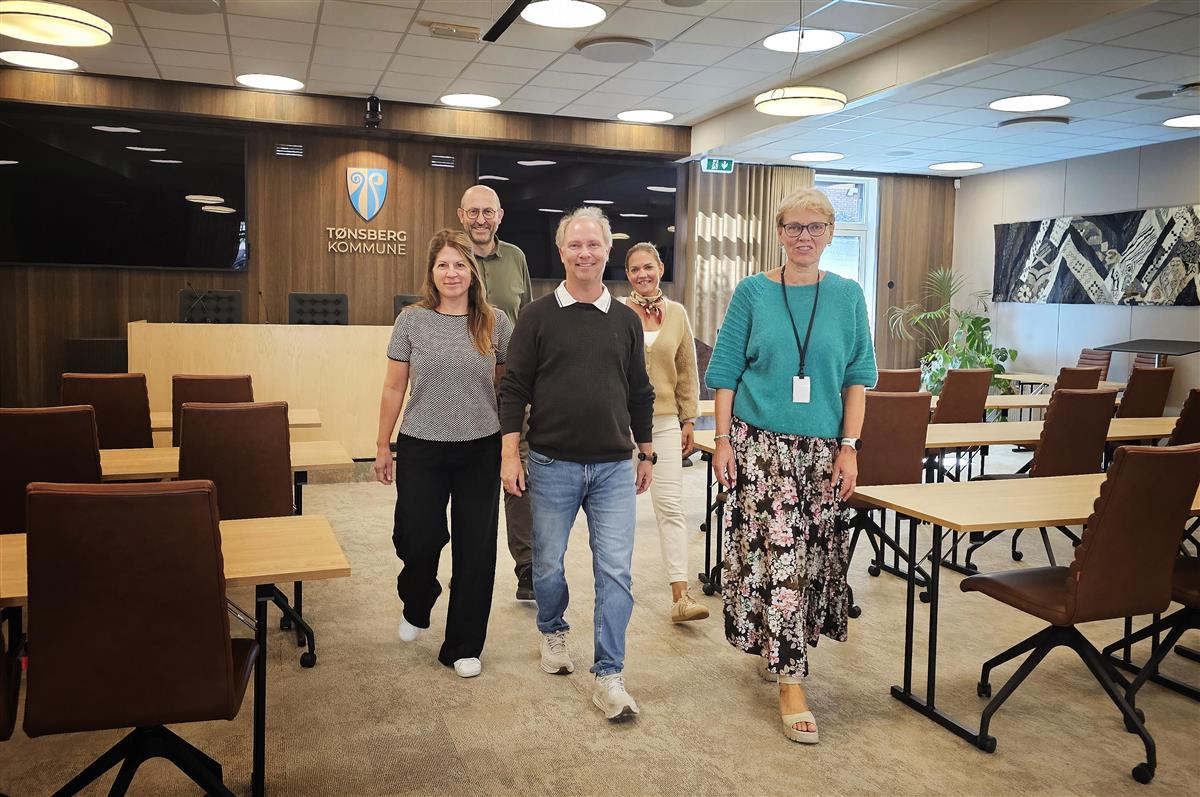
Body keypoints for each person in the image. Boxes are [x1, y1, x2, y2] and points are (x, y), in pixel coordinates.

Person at [705, 187, 877, 743]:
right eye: (794, 227)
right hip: (760, 446)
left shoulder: (848, 296)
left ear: (830, 234)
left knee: (811, 558)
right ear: (779, 233)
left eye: (815, 227)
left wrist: (850, 446)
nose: (804, 236)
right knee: (777, 561)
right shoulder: (753, 292)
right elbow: (725, 371)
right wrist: (723, 441)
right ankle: (790, 681)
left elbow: (857, 378)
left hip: (822, 450)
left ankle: (778, 646)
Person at [499, 206, 655, 721]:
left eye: (593, 244)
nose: (584, 253)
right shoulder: (537, 316)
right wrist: (510, 453)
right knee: (547, 564)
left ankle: (610, 675)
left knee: (615, 572)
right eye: (575, 244)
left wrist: (646, 451)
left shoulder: (626, 320)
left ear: (607, 251)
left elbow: (639, 392)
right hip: (551, 464)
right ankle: (552, 628)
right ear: (561, 251)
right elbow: (514, 388)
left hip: (613, 467)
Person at [373, 229, 513, 679]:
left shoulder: (495, 322)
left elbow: (508, 388)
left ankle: (464, 646)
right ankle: (418, 599)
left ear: (473, 272)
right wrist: (382, 445)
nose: (452, 273)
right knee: (415, 538)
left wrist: (512, 446)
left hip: (480, 448)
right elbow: (393, 387)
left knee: (476, 550)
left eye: (459, 265)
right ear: (431, 272)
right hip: (421, 447)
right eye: (443, 265)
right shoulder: (411, 320)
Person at [621, 242, 707, 623]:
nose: (642, 274)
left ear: (660, 268)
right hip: (622, 423)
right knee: (619, 509)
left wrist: (689, 419)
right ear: (628, 275)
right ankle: (617, 587)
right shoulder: (617, 312)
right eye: (635, 269)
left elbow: (687, 370)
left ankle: (680, 596)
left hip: (666, 420)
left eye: (648, 267)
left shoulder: (677, 314)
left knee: (671, 506)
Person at [457, 184, 536, 601]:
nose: (481, 219)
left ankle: (527, 569)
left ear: (499, 216)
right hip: (464, 387)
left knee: (518, 472)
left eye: (488, 212)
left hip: (513, 386)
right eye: (473, 212)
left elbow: (528, 320)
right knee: (471, 480)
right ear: (461, 215)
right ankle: (468, 567)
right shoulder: (451, 258)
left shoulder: (517, 258)